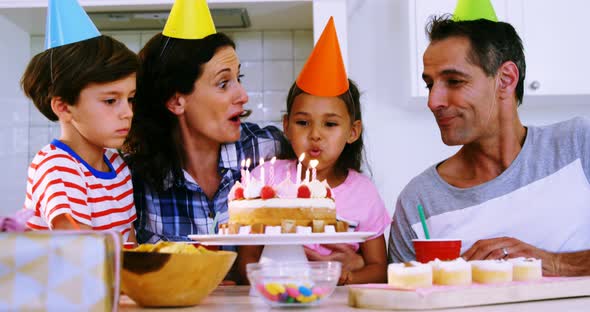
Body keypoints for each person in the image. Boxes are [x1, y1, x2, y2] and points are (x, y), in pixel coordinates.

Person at [388, 13, 590, 276]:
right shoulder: (419, 200)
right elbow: (403, 298)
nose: (433, 101)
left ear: (505, 79)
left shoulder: (577, 145)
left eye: (454, 81)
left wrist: (555, 263)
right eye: (429, 85)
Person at [238, 18, 390, 285]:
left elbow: (380, 268)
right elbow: (246, 262)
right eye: (303, 122)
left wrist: (344, 276)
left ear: (353, 132)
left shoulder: (364, 193)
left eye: (330, 124)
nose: (315, 134)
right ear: (286, 125)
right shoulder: (265, 180)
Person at [123, 0, 286, 244]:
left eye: (238, 77)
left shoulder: (268, 150)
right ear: (177, 101)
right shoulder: (134, 179)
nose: (243, 96)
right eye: (223, 83)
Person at [21, 0, 138, 242]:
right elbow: (81, 253)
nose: (127, 112)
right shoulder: (56, 166)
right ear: (64, 107)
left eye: (130, 99)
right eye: (110, 101)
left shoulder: (117, 165)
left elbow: (130, 247)